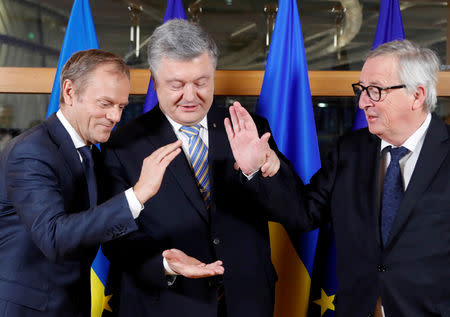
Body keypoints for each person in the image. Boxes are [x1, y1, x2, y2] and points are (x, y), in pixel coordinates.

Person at [227, 39, 450, 317]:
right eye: (361, 90)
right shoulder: (351, 150)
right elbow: (303, 213)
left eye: (375, 91)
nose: (362, 103)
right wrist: (262, 166)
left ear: (417, 95)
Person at [0, 49, 223, 317]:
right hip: (27, 308)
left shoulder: (91, 152)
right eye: (105, 104)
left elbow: (101, 228)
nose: (116, 117)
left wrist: (165, 263)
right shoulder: (31, 151)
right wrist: (138, 194)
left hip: (70, 304)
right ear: (69, 92)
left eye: (121, 107)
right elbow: (54, 238)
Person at [100, 19, 284, 317]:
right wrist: (164, 263)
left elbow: (295, 211)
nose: (190, 96)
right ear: (155, 82)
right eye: (176, 85)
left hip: (247, 303)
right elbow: (113, 236)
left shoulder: (249, 128)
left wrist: (269, 170)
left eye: (201, 83)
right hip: (165, 304)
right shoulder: (121, 145)